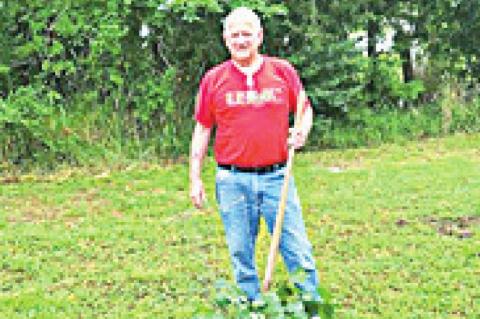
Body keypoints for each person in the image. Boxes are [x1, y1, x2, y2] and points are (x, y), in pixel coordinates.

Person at [189, 6, 321, 309]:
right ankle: (252, 309)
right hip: (232, 180)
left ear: (259, 36)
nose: (240, 40)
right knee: (240, 253)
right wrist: (195, 178)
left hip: (278, 177)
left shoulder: (282, 72)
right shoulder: (214, 79)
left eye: (246, 33)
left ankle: (312, 309)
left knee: (297, 250)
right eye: (234, 34)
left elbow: (304, 109)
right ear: (225, 39)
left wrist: (301, 131)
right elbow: (202, 129)